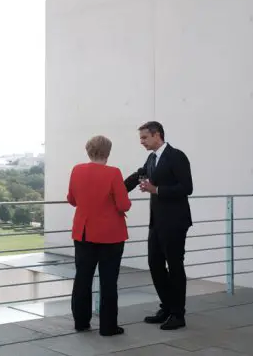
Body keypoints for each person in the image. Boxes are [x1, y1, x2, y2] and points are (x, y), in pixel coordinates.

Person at [124, 121, 193, 330]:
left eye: (144, 138)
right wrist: (115, 189)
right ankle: (168, 306)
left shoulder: (176, 156)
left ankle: (178, 315)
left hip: (175, 222)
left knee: (174, 266)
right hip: (156, 223)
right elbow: (139, 175)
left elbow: (187, 188)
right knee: (154, 264)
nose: (142, 142)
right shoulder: (152, 158)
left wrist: (157, 190)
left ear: (157, 135)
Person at [67, 135, 131, 336]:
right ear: (108, 152)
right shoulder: (113, 173)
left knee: (82, 279)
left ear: (88, 150)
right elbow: (123, 205)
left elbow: (72, 199)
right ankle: (108, 327)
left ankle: (81, 322)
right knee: (108, 281)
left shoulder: (77, 170)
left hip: (84, 232)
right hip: (110, 235)